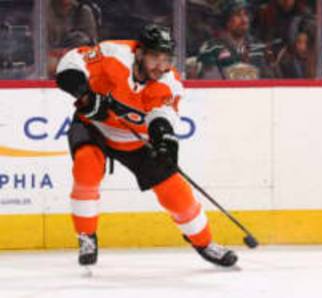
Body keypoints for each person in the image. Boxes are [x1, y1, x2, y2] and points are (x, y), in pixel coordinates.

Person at [55, 23, 238, 267]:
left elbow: (162, 118)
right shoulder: (113, 54)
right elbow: (69, 63)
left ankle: (205, 243)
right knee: (86, 167)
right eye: (154, 57)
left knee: (176, 193)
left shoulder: (168, 83)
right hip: (93, 126)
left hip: (136, 140)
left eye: (166, 59)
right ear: (140, 53)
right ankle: (86, 236)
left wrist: (164, 143)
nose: (160, 66)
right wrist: (85, 95)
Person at [195, 0, 274, 79]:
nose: (244, 20)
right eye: (238, 15)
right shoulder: (211, 49)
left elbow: (272, 81)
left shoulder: (259, 48)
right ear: (226, 20)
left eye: (246, 14)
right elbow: (210, 85)